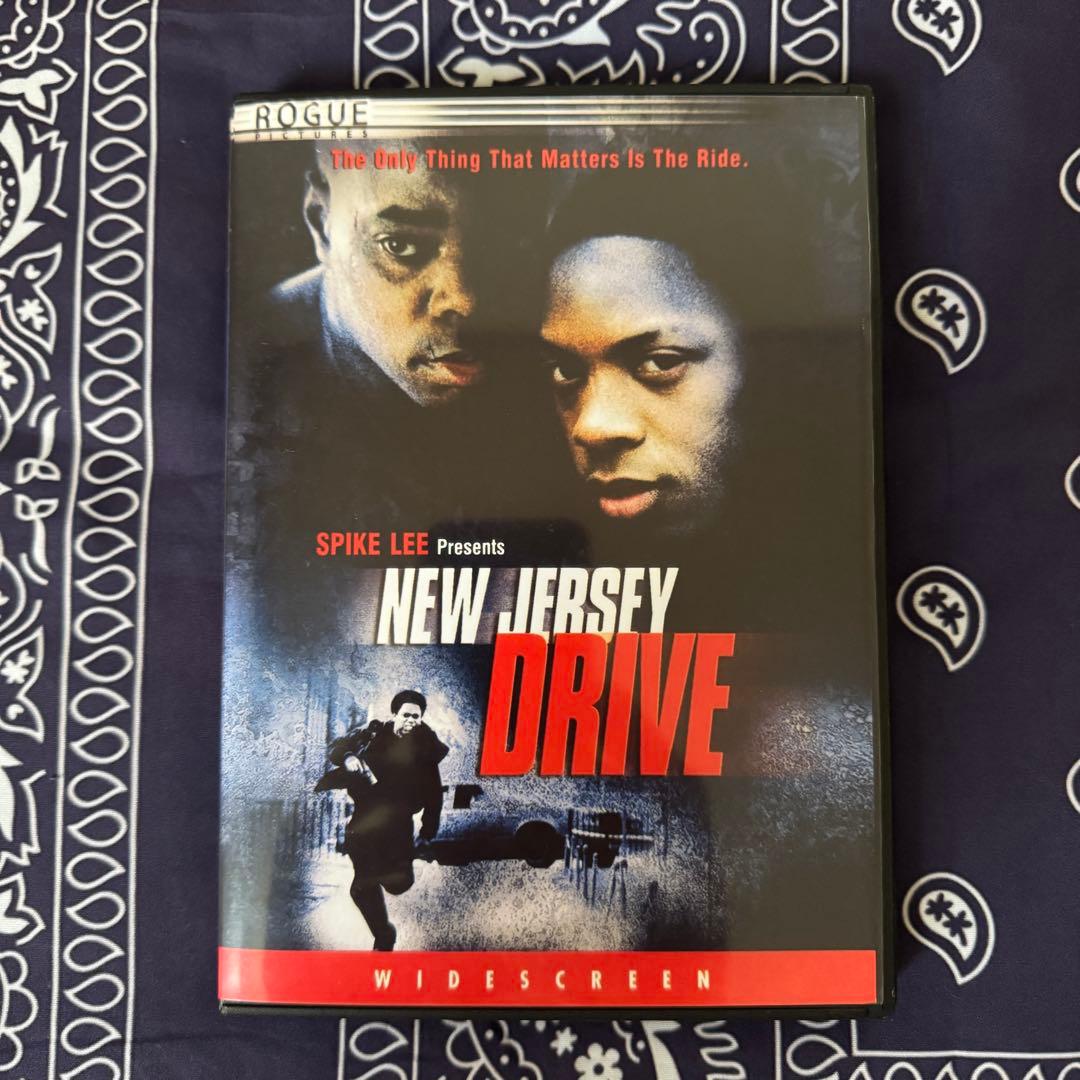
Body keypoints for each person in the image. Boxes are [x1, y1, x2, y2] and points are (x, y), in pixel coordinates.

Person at [314, 689, 448, 951]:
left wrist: (427, 833)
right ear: (395, 714)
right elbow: (336, 748)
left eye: (416, 717)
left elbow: (434, 795)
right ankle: (383, 934)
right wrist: (349, 757)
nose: (411, 721)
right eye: (406, 715)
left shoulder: (425, 747)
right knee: (361, 887)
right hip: (364, 822)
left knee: (399, 884)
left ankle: (382, 875)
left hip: (399, 825)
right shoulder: (373, 733)